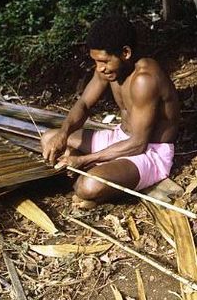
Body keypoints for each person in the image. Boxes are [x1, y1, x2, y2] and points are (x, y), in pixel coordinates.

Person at [41, 13, 180, 205]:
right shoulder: (110, 70)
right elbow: (83, 104)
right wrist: (64, 133)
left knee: (87, 186)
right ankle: (102, 171)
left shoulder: (144, 79)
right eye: (96, 61)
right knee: (49, 137)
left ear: (126, 53)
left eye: (104, 61)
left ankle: (97, 176)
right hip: (119, 139)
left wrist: (84, 161)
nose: (99, 68)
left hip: (148, 152)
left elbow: (138, 144)